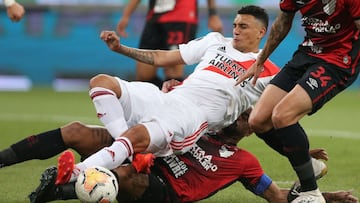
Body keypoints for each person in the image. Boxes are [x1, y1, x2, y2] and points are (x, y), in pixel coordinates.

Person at [53, 5, 281, 186]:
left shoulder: (269, 71)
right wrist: (121, 49)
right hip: (169, 97)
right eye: (235, 25)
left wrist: (298, 152)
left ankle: (76, 173)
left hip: (191, 118)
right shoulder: (215, 41)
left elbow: (279, 113)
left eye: (243, 26)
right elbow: (162, 58)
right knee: (101, 83)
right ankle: (130, 154)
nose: (236, 30)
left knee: (135, 136)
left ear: (261, 32)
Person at [27, 109, 357, 203]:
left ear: (251, 129)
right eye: (237, 111)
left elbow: (278, 197)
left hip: (167, 192)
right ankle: (62, 182)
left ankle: (59, 190)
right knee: (81, 133)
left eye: (246, 117)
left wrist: (325, 195)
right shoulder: (203, 128)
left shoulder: (244, 162)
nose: (239, 117)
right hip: (148, 163)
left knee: (127, 178)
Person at [235, 1, 360, 203]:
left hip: (337, 61)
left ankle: (311, 193)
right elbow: (282, 22)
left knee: (283, 116)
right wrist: (261, 60)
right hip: (307, 54)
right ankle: (310, 166)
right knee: (257, 120)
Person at [116, 0, 223, 88]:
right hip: (155, 18)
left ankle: (173, 110)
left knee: (173, 72)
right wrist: (126, 15)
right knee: (144, 75)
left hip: (182, 17)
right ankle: (161, 101)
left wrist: (213, 14)